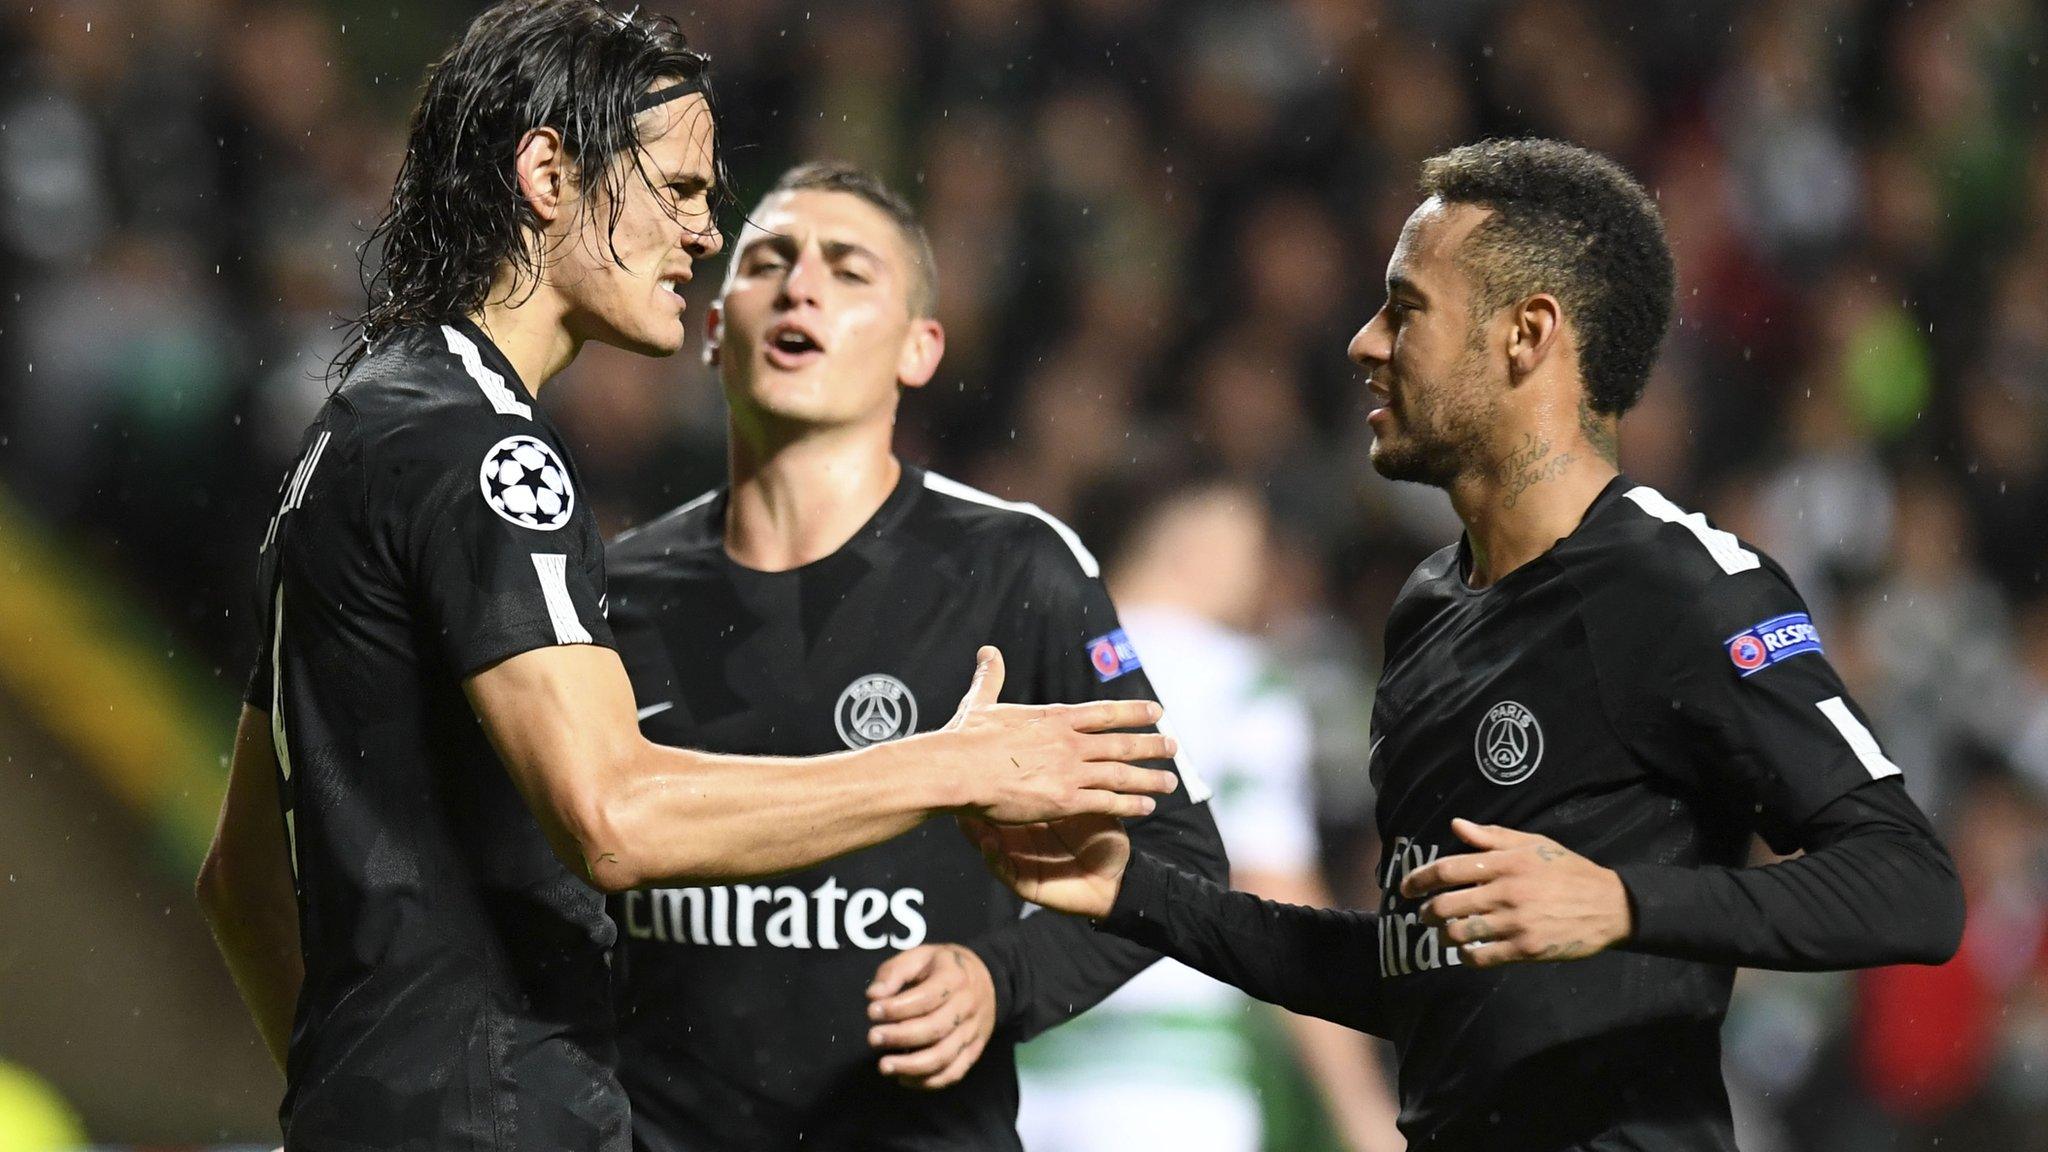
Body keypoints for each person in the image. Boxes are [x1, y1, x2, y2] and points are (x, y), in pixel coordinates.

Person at [190, 7, 1177, 1151]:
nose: (705, 233)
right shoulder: (492, 454)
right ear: (549, 172)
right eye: (680, 189)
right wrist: (946, 763)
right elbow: (613, 815)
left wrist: (360, 1098)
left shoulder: (355, 432)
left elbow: (241, 876)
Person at [969, 138, 1966, 1152]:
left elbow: (1909, 888)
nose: (1362, 342)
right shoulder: (1427, 611)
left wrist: (1619, 904)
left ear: (1524, 336)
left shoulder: (1677, 585)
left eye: (1405, 311)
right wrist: (1132, 895)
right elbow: (1416, 979)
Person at [602, 161, 1226, 1151]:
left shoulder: (1011, 568)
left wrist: (998, 981)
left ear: (919, 348)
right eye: (766, 262)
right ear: (715, 331)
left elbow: (1181, 864)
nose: (800, 285)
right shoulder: (607, 594)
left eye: (848, 272)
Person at [1015, 473, 1402, 1152]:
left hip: (1022, 1073)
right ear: (1202, 546)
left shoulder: (1024, 666)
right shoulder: (1240, 681)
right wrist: (1361, 1105)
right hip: (1169, 1091)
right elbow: (1275, 891)